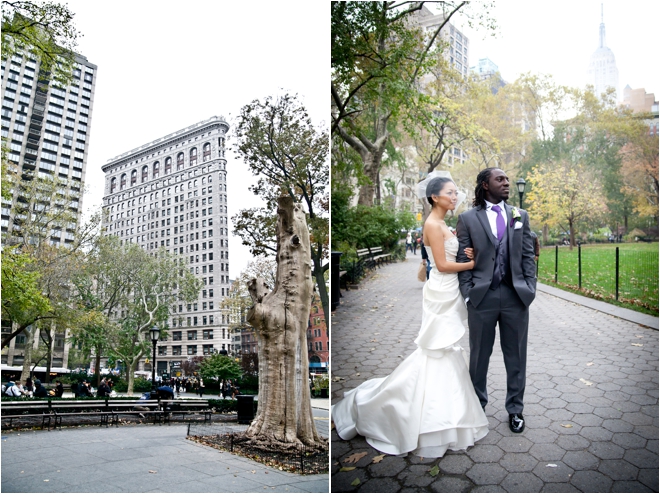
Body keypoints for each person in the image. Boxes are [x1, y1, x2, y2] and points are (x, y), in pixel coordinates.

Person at [332, 171, 489, 457]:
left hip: (447, 291)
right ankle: (395, 408)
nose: (455, 197)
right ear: (435, 197)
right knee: (436, 349)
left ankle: (445, 412)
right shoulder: (432, 223)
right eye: (450, 193)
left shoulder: (442, 222)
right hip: (442, 290)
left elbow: (449, 255)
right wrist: (474, 263)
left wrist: (464, 252)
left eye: (456, 192)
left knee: (444, 350)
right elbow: (441, 265)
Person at [456, 168, 537, 434]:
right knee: (479, 356)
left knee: (516, 357)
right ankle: (477, 406)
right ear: (485, 184)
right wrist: (468, 293)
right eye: (500, 179)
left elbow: (528, 256)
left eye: (507, 180)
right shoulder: (467, 218)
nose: (506, 183)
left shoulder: (519, 215)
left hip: (515, 297)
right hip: (482, 297)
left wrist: (529, 289)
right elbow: (463, 259)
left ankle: (515, 410)